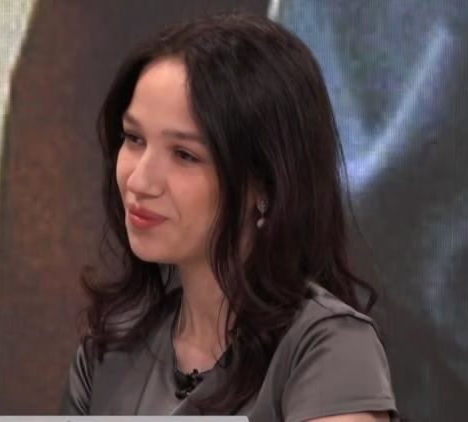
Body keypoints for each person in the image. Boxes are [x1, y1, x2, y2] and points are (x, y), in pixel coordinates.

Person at [61, 12, 398, 422]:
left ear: (266, 186)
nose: (140, 180)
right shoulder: (108, 351)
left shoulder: (328, 347)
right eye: (134, 139)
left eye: (184, 155)